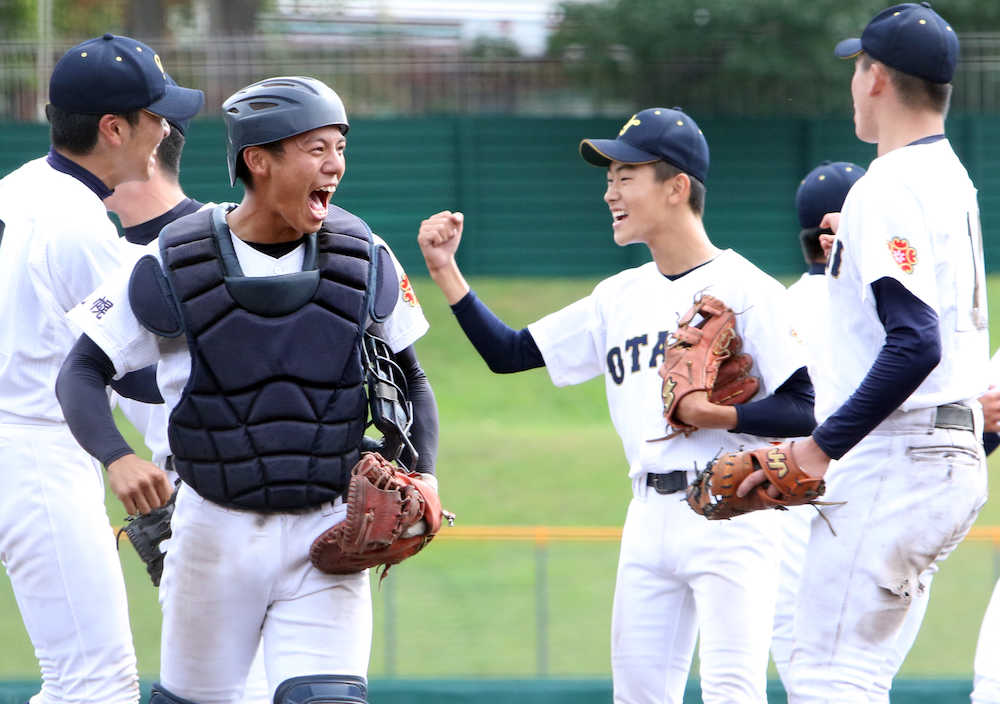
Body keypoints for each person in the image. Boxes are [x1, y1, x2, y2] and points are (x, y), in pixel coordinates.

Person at [56, 75, 436, 704]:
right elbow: (81, 371)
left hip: (328, 535)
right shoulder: (169, 260)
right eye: (317, 149)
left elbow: (413, 379)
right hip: (212, 532)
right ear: (258, 160)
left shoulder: (364, 254)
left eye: (341, 148)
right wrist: (116, 457)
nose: (335, 165)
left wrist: (425, 474)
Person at [416, 107, 814, 703]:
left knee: (734, 692)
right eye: (609, 178)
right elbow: (508, 352)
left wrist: (719, 415)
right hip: (648, 517)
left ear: (676, 186)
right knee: (637, 696)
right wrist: (446, 271)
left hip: (733, 512)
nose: (610, 192)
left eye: (626, 176)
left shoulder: (750, 290)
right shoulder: (617, 298)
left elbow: (807, 410)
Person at [737, 4, 989, 701]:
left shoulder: (886, 187)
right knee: (856, 675)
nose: (855, 83)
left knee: (825, 675)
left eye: (858, 68)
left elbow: (916, 344)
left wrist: (818, 448)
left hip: (898, 455)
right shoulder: (950, 178)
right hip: (948, 459)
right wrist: (864, 237)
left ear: (877, 78)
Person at [0, 33, 202, 704]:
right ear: (113, 128)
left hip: (23, 441)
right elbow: (129, 367)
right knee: (95, 683)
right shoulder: (76, 223)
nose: (166, 127)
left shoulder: (23, 186)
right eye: (155, 113)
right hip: (33, 449)